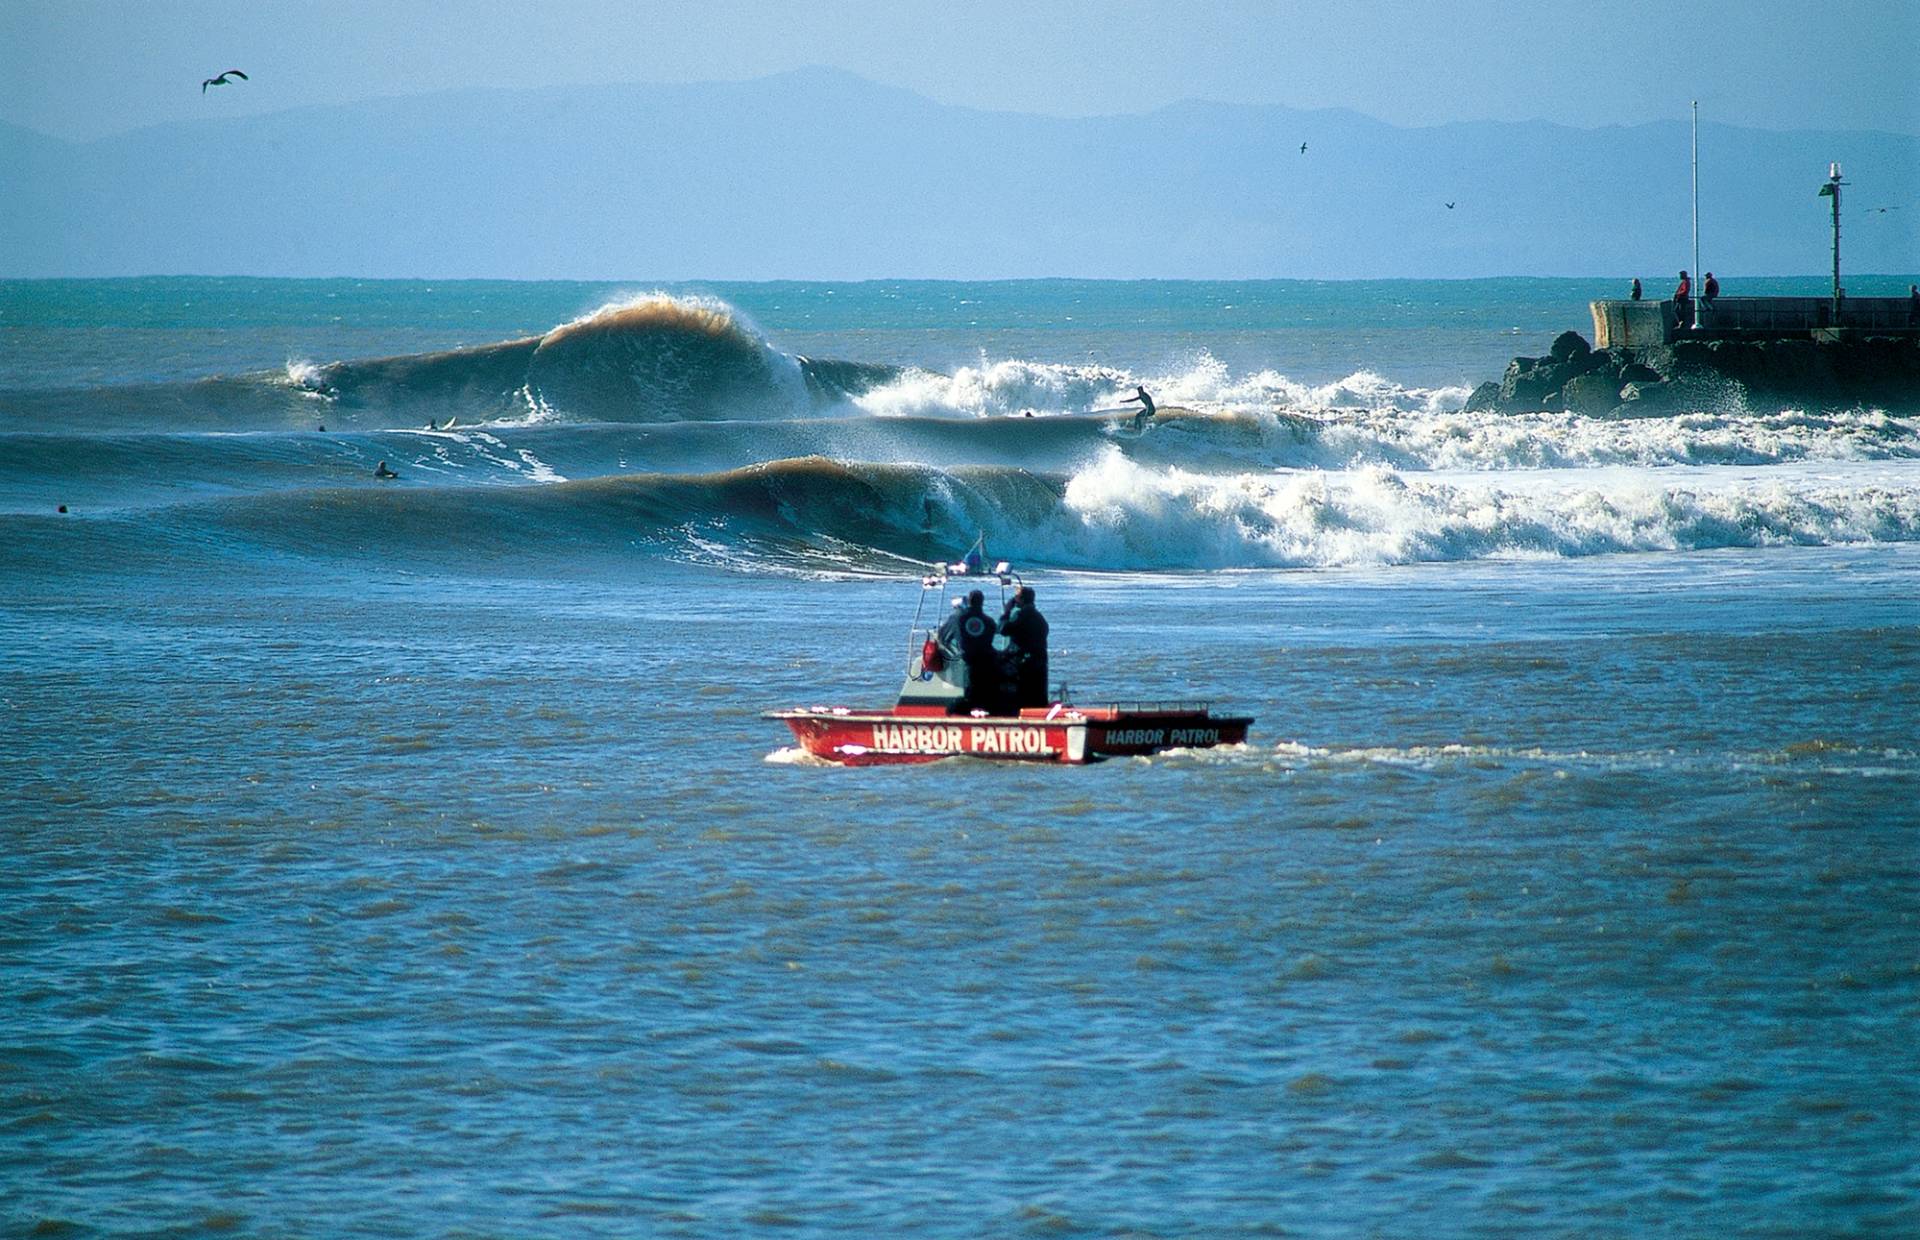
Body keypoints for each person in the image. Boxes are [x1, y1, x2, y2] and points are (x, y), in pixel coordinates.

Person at [938, 589, 999, 713]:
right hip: (987, 660)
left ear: (969, 601)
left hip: (969, 659)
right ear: (982, 602)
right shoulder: (989, 621)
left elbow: (943, 636)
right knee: (986, 691)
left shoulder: (959, 618)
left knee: (970, 691)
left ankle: (953, 713)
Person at [998, 585, 1050, 709]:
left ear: (1021, 599)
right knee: (1036, 699)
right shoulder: (1039, 617)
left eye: (1016, 598)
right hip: (1039, 663)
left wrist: (1006, 611)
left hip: (1023, 665)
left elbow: (1003, 629)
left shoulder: (1021, 615)